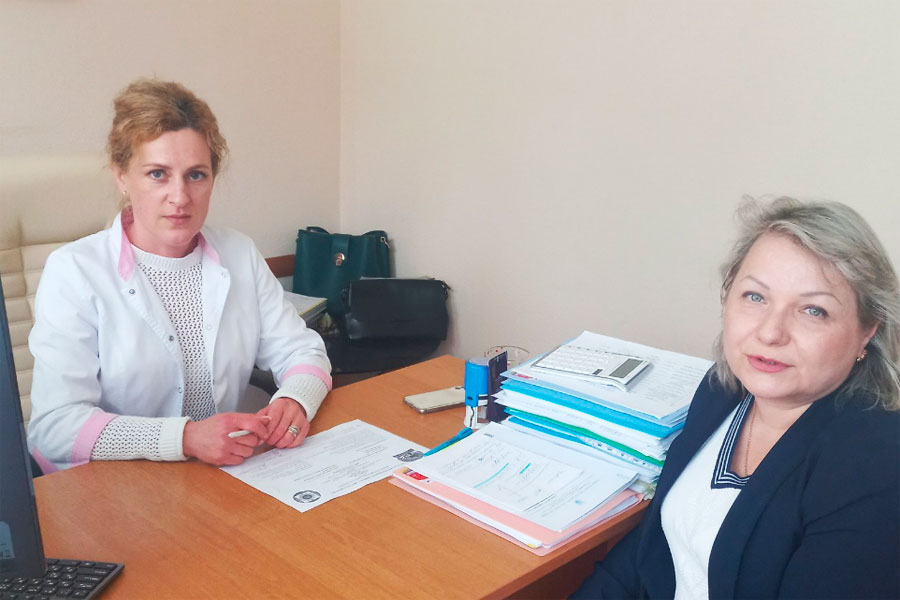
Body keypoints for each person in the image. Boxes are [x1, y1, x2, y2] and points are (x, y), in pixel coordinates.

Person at [573, 197, 900, 599]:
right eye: (755, 297)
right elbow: (652, 548)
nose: (770, 333)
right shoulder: (723, 390)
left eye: (813, 310)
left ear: (868, 330)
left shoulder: (876, 468)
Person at [27, 79, 332, 473]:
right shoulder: (74, 271)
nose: (180, 197)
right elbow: (55, 427)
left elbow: (303, 351)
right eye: (157, 174)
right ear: (121, 176)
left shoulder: (238, 253)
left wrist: (295, 398)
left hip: (216, 476)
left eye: (196, 175)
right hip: (116, 484)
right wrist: (185, 437)